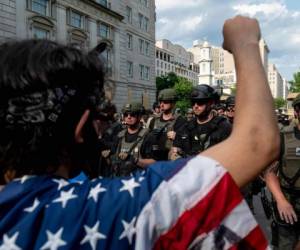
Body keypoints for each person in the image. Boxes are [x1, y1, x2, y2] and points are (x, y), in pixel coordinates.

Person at [0, 16, 279, 249]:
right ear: (80, 127)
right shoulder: (102, 212)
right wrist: (245, 41)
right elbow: (257, 142)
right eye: (101, 117)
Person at [265, 94, 300, 249]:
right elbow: (270, 172)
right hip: (289, 204)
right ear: (297, 112)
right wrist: (281, 200)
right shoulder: (283, 137)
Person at [170, 84, 232, 159]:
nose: (196, 106)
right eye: (193, 102)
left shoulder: (223, 127)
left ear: (211, 103)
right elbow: (174, 150)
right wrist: (175, 154)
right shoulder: (185, 128)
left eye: (200, 102)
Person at [104, 102, 155, 177]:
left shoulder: (148, 136)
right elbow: (112, 161)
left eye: (132, 114)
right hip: (119, 179)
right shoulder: (119, 135)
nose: (128, 117)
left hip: (137, 180)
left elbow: (154, 163)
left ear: (139, 116)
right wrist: (107, 157)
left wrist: (134, 160)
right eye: (126, 115)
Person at [146, 88, 187, 160]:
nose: (161, 104)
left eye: (165, 102)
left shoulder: (180, 121)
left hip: (169, 160)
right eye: (160, 101)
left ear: (173, 103)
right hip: (153, 159)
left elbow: (185, 144)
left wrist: (177, 137)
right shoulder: (153, 120)